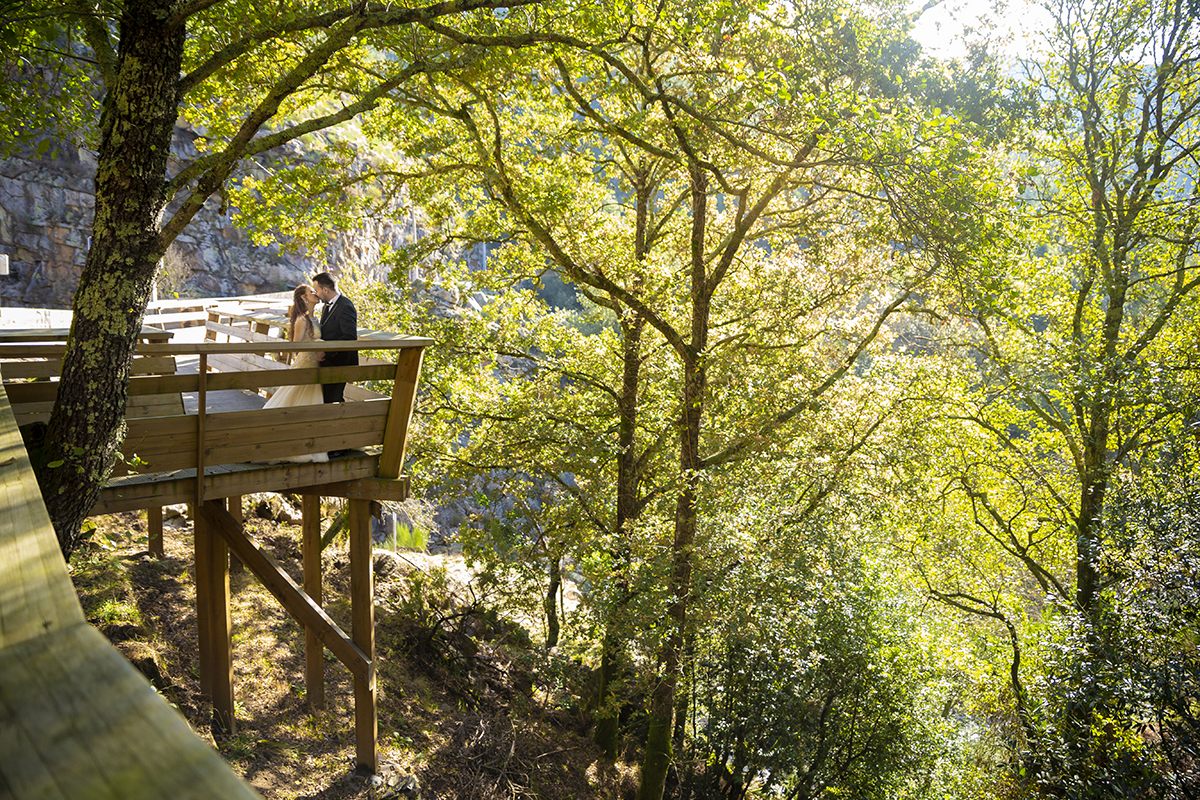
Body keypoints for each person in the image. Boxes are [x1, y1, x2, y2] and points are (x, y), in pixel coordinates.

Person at [263, 284, 329, 463]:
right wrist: (317, 346)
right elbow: (296, 347)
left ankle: (307, 441)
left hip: (316, 366)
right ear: (303, 298)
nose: (316, 294)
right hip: (306, 365)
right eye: (311, 293)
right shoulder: (301, 320)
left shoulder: (314, 318)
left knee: (310, 402)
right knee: (294, 398)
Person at [312, 271, 358, 404]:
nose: (316, 294)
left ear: (325, 289)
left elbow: (349, 338)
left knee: (333, 399)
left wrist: (326, 351)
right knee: (327, 398)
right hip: (327, 363)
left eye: (316, 290)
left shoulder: (345, 306)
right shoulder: (326, 306)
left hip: (339, 362)